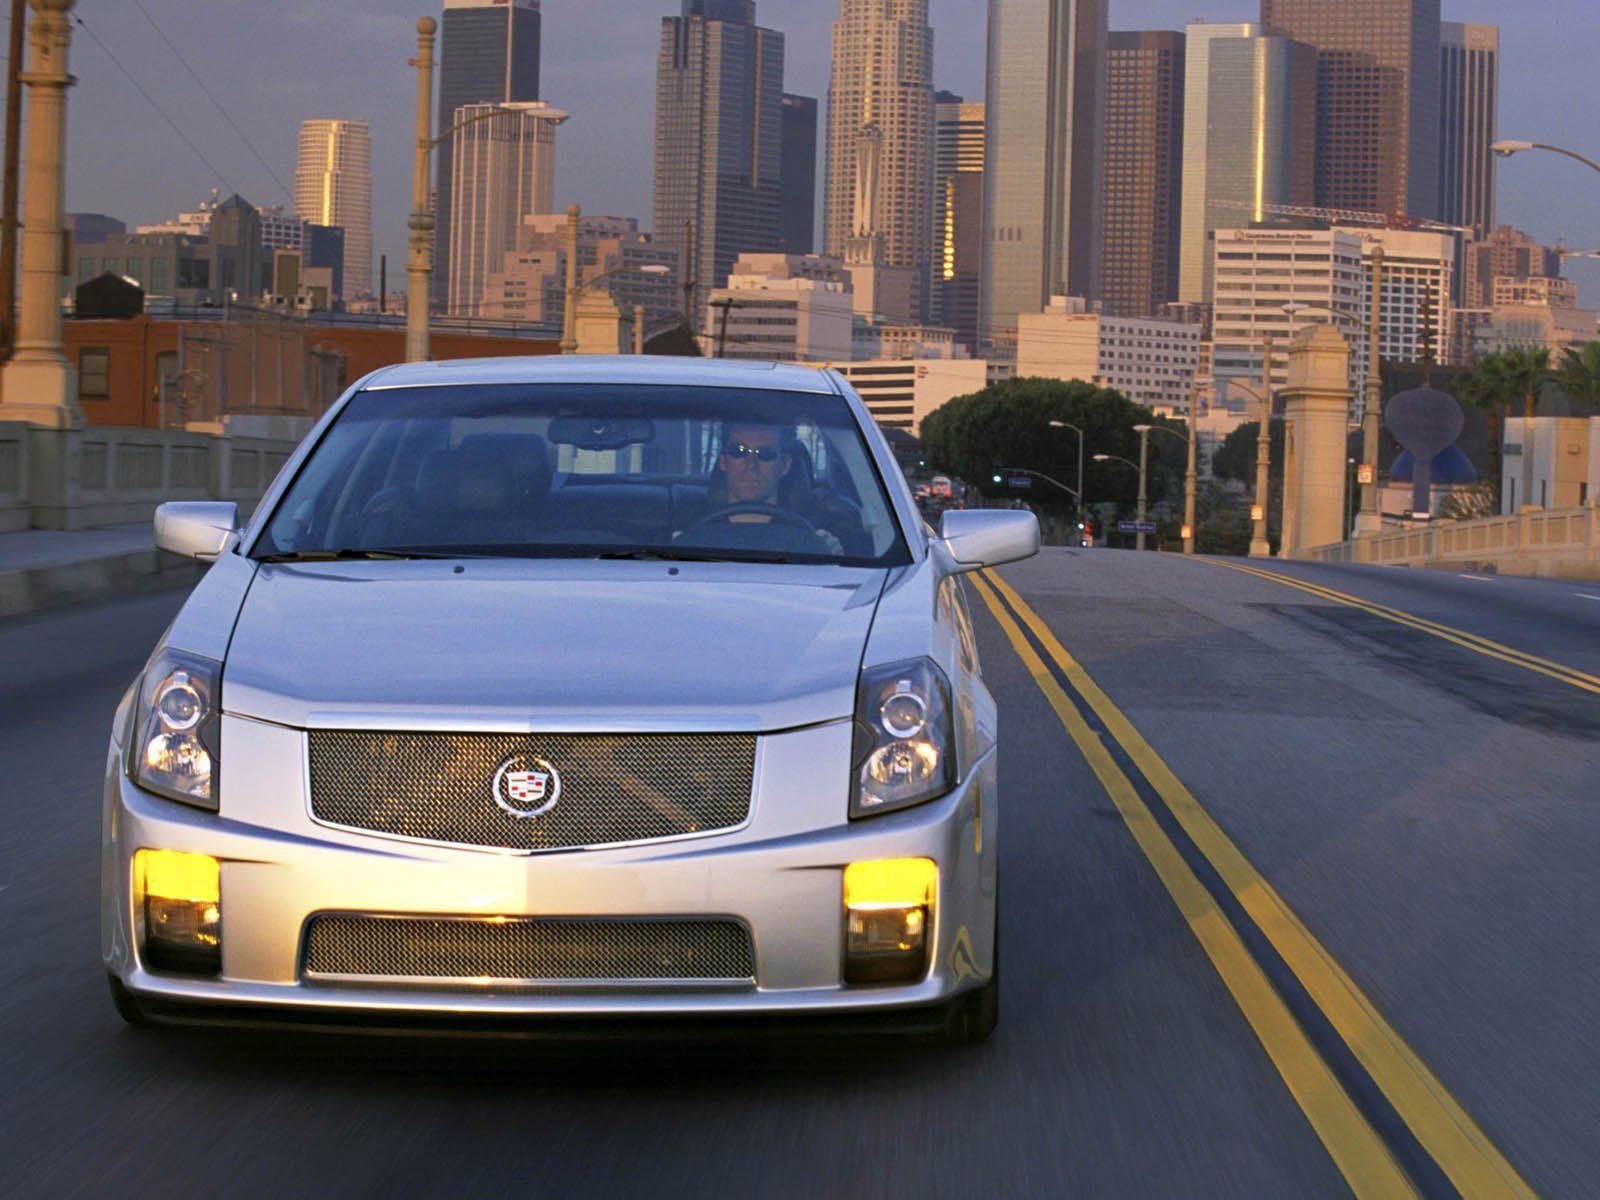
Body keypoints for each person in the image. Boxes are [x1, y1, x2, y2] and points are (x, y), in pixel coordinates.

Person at [683, 421, 845, 553]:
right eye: (739, 451)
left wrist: (833, 559)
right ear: (723, 461)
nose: (751, 464)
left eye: (766, 453)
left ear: (785, 465)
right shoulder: (690, 535)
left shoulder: (812, 540)